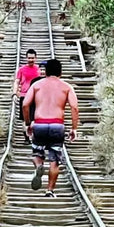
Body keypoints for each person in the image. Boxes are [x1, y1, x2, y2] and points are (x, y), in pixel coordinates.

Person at [22, 58, 79, 198]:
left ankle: (39, 166)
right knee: (55, 160)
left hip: (40, 124)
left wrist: (29, 123)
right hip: (57, 125)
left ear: (45, 72)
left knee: (37, 153)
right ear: (61, 72)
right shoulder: (66, 87)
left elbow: (25, 104)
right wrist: (74, 128)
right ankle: (49, 191)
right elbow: (74, 107)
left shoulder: (37, 85)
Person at [12, 49, 40, 127]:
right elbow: (17, 82)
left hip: (36, 97)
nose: (31, 60)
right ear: (26, 58)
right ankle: (26, 137)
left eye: (32, 58)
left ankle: (33, 135)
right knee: (24, 118)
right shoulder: (21, 70)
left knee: (35, 118)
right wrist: (14, 93)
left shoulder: (39, 69)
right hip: (24, 96)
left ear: (35, 58)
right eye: (29, 58)